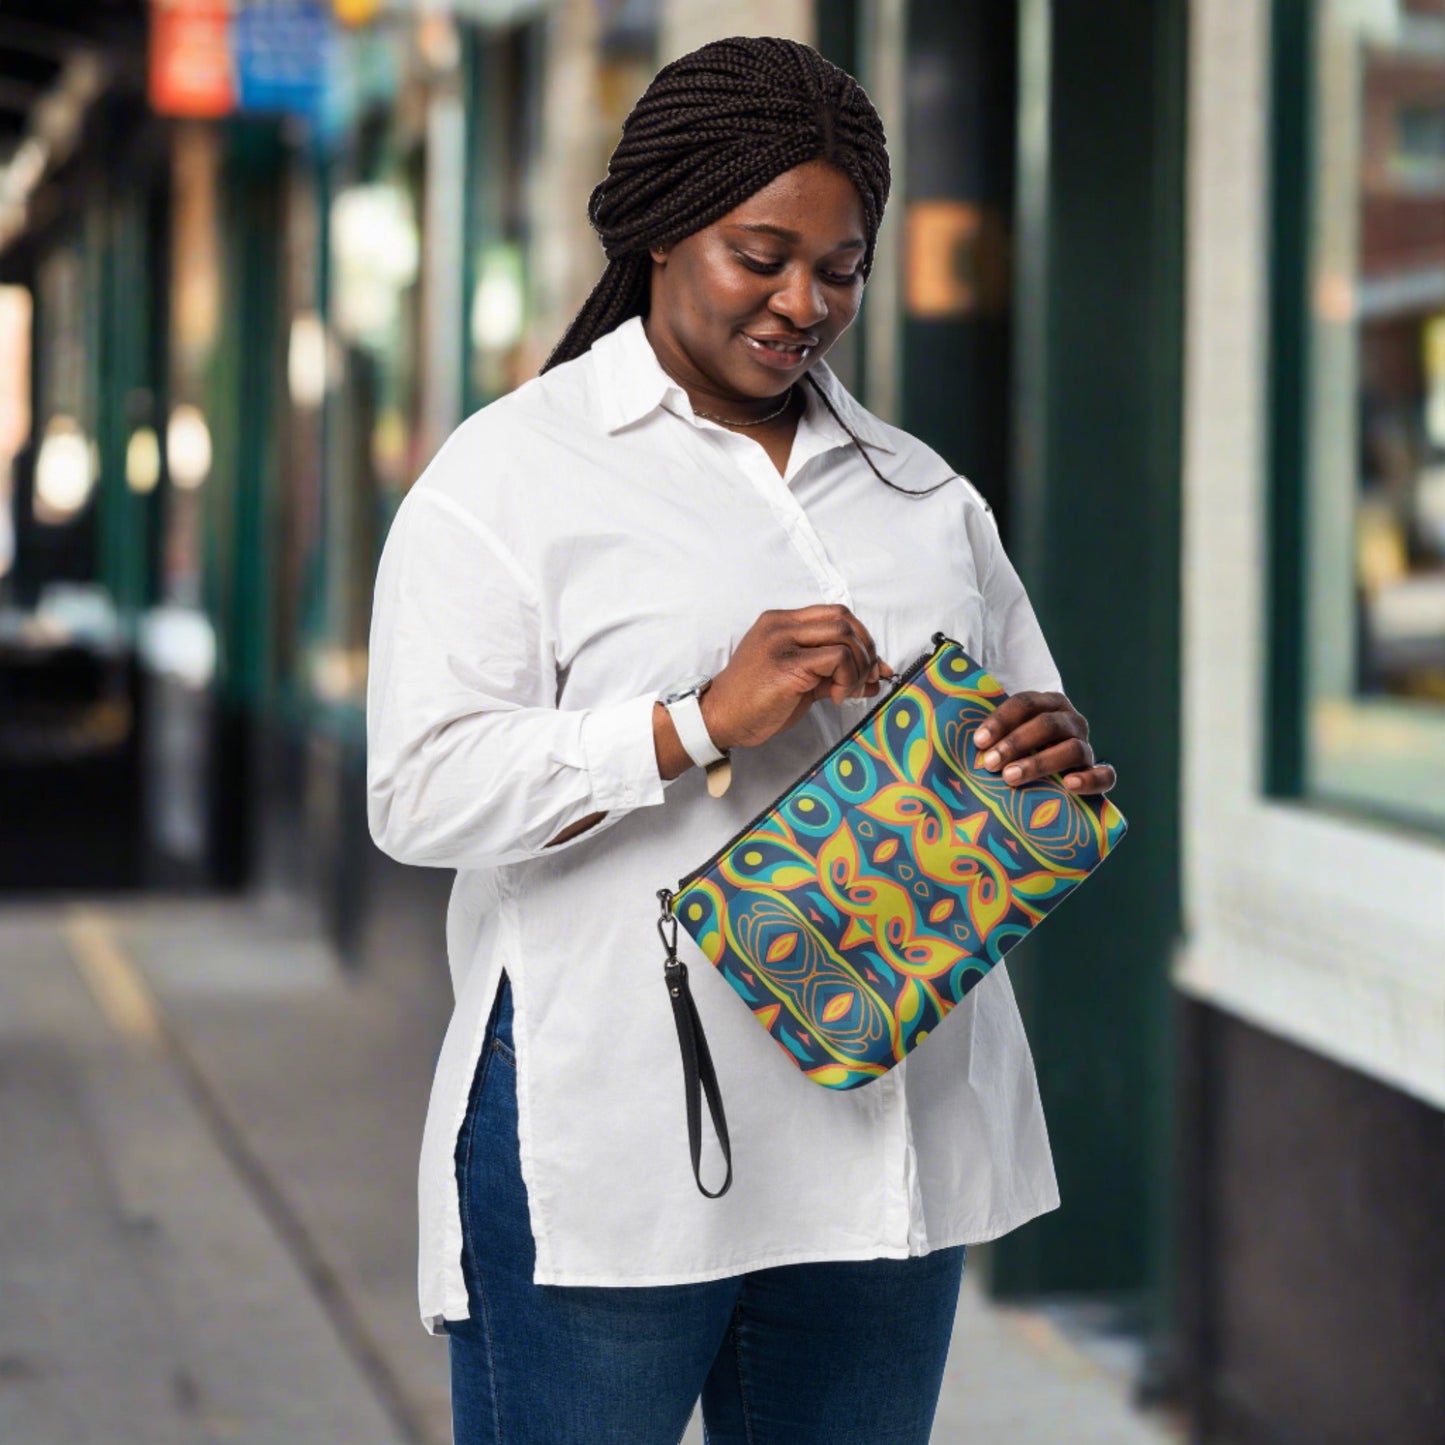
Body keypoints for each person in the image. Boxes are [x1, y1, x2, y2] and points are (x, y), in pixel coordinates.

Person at [366, 33, 1118, 1445]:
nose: (803, 302)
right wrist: (690, 722)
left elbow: (1027, 722)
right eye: (758, 254)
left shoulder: (921, 494)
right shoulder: (511, 477)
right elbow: (416, 794)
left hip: (887, 1121)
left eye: (839, 268)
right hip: (618, 1137)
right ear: (657, 230)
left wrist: (1039, 749)